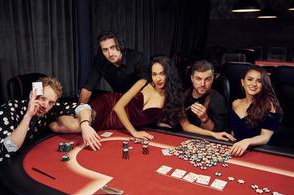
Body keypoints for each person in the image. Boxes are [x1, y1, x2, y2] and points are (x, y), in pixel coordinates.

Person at [54, 56, 235, 142]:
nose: (157, 78)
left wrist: (213, 133)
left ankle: (52, 113)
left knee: (72, 124)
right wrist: (135, 133)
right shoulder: (142, 82)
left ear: (168, 74)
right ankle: (48, 116)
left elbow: (186, 126)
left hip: (116, 125)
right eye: (154, 73)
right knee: (70, 126)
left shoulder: (174, 98)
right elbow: (118, 107)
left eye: (162, 73)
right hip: (109, 105)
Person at [79, 31, 149, 103]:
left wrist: (121, 104)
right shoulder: (99, 61)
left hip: (139, 97)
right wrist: (80, 109)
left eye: (113, 47)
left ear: (120, 45)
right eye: (105, 50)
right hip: (118, 97)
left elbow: (145, 83)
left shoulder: (137, 58)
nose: (110, 54)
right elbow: (88, 88)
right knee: (94, 97)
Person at [229, 65, 283, 157]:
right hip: (236, 150)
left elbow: (265, 137)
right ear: (242, 82)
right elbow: (235, 130)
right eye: (250, 79)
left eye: (259, 81)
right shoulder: (235, 103)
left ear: (264, 84)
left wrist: (247, 141)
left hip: (258, 153)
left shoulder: (269, 105)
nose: (254, 84)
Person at [184, 60, 228, 132]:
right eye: (198, 79)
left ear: (213, 79)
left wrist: (205, 118)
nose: (202, 84)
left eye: (207, 79)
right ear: (192, 78)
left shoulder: (217, 100)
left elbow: (219, 133)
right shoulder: (183, 95)